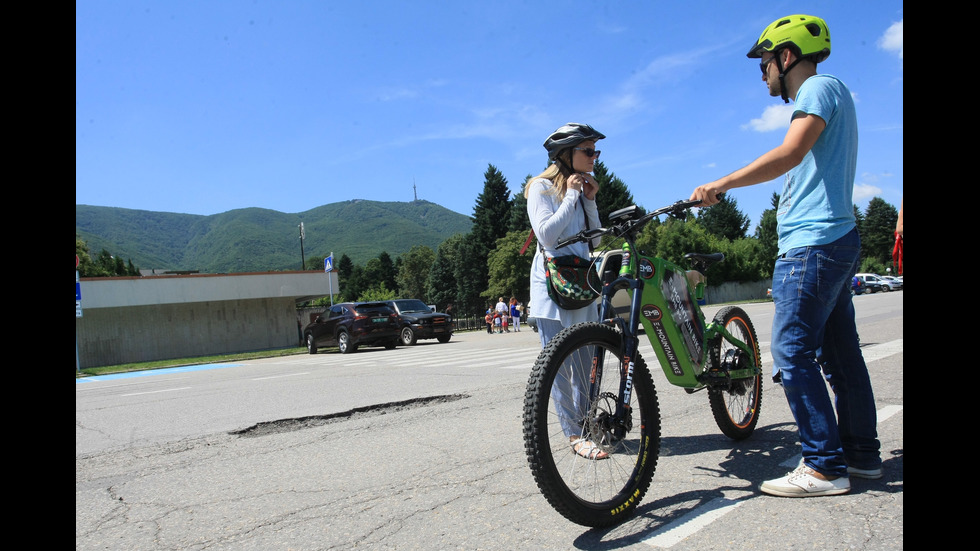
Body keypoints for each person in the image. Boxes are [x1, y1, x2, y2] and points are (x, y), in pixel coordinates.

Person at [689, 15, 881, 497]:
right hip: (834, 238)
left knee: (793, 352)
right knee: (840, 356)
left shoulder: (817, 90)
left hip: (812, 244)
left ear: (787, 57)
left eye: (765, 62)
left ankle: (823, 465)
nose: (763, 73)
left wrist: (723, 183)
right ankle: (860, 456)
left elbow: (790, 153)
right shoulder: (833, 92)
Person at [525, 122, 607, 460]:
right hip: (552, 288)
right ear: (566, 155)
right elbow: (546, 235)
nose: (594, 157)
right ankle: (574, 435)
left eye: (595, 151)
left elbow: (597, 240)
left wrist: (588, 201)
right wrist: (571, 195)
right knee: (558, 367)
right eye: (588, 151)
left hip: (582, 283)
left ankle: (587, 425)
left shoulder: (584, 189)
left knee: (587, 363)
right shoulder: (540, 188)